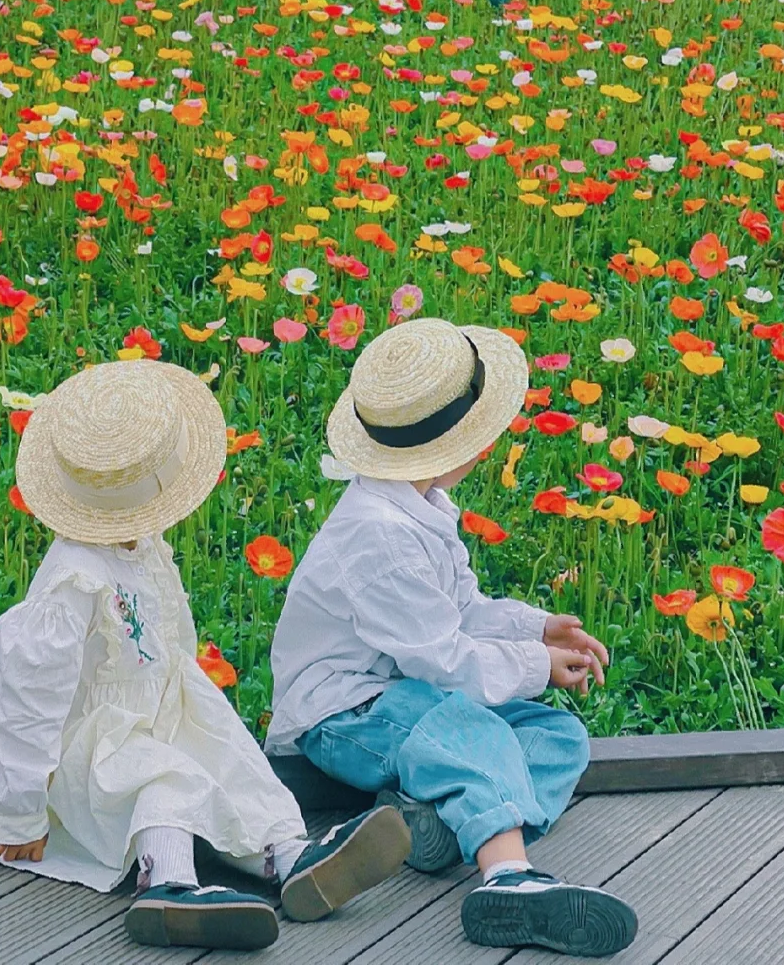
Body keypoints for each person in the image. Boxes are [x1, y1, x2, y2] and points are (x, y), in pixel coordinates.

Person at [0, 358, 410, 951]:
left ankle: (287, 856)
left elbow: (165, 636)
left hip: (159, 707)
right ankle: (168, 884)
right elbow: (24, 697)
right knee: (165, 778)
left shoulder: (139, 544)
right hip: (87, 747)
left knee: (230, 761)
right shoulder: (73, 580)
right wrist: (21, 809)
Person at [266, 317, 638, 958]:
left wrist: (533, 627)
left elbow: (459, 610)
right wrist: (536, 665)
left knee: (558, 736)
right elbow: (445, 662)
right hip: (344, 711)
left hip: (409, 696)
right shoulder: (377, 535)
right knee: (472, 728)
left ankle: (435, 826)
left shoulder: (419, 508)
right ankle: (508, 878)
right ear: (454, 448)